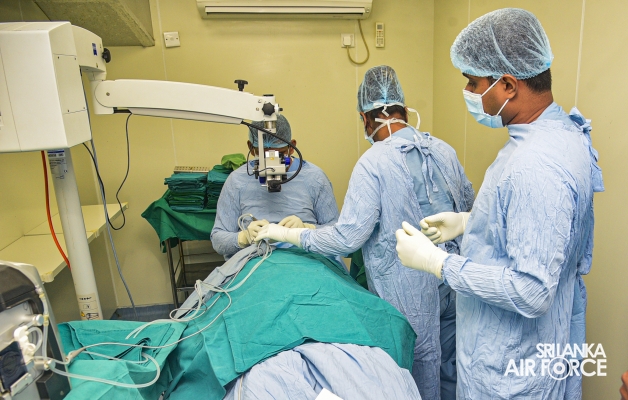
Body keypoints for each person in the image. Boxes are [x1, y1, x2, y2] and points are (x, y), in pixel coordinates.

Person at [395, 8, 604, 399]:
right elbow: (542, 226)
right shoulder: (560, 132)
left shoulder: (535, 164)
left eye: (473, 83)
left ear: (508, 85)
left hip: (511, 369)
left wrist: (438, 263)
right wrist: (470, 221)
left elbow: (531, 291)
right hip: (531, 349)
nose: (469, 92)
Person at [256, 65, 475, 400]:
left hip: (408, 295)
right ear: (404, 109)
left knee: (415, 367)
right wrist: (314, 227)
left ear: (365, 118)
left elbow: (348, 239)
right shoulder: (443, 150)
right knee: (453, 364)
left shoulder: (373, 163)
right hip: (453, 281)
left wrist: (288, 234)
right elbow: (469, 209)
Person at [210, 114, 339, 259]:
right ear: (251, 148)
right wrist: (243, 238)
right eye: (263, 156)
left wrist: (307, 229)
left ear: (292, 147)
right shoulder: (237, 181)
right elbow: (218, 240)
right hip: (255, 263)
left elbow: (336, 232)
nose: (271, 163)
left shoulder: (314, 178)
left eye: (279, 154)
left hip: (306, 261)